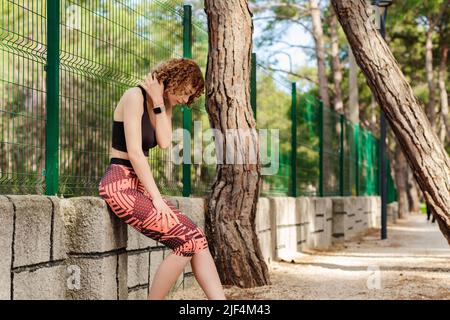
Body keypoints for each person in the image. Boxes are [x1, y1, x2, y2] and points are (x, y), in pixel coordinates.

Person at [98, 58, 226, 300]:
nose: (187, 101)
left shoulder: (163, 103)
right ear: (175, 80)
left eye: (191, 97)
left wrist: (159, 102)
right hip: (119, 184)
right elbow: (135, 153)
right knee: (186, 242)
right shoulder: (133, 97)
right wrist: (156, 197)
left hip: (138, 185)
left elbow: (165, 142)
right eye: (186, 93)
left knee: (197, 238)